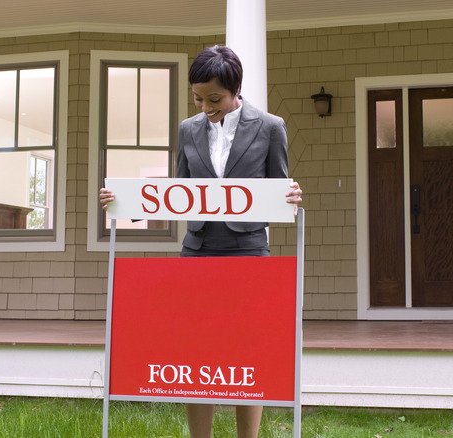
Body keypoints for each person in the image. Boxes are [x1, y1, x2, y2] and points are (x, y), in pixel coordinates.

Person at [100, 45, 302, 438]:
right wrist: (127, 203)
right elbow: (180, 190)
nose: (206, 107)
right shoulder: (188, 129)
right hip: (197, 251)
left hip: (248, 252)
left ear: (235, 90)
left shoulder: (271, 126)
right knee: (195, 351)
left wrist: (290, 197)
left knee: (249, 353)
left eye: (215, 99)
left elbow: (279, 189)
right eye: (198, 98)